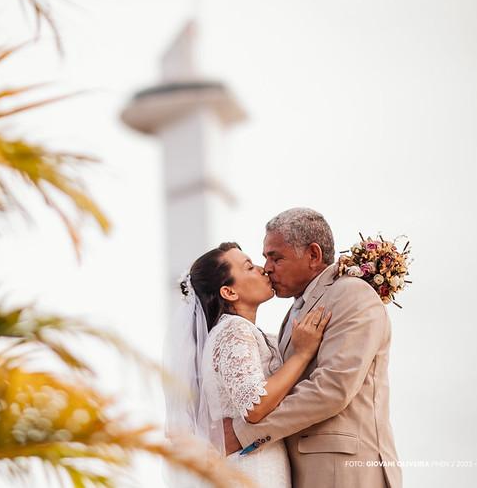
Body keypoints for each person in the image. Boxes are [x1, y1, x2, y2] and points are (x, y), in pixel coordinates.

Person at [227, 208, 402, 488]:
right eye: (265, 258)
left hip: (345, 472)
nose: (268, 268)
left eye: (276, 257)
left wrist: (245, 433)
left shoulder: (351, 294)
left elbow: (333, 388)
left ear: (313, 255)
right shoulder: (295, 310)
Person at [165, 242, 331, 488]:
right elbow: (255, 405)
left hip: (254, 463)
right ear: (229, 292)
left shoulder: (241, 332)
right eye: (249, 267)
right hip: (252, 469)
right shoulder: (233, 330)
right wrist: (302, 354)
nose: (263, 270)